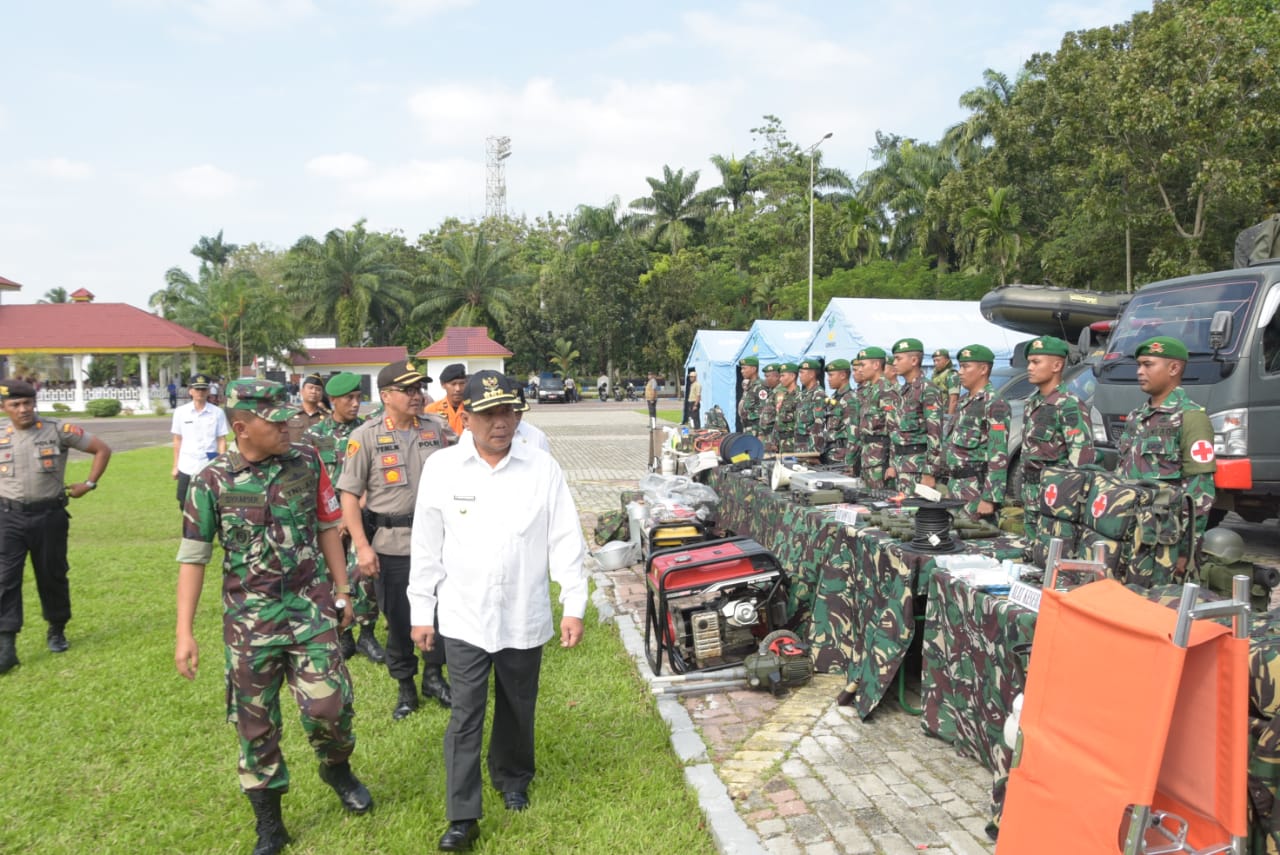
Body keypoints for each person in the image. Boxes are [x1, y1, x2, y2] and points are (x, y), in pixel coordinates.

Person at [175, 379, 372, 855]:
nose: (287, 426)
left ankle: (336, 767)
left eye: (288, 417)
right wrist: (184, 631)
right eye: (274, 421)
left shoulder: (307, 461)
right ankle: (270, 821)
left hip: (311, 611)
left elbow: (329, 528)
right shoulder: (211, 482)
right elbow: (193, 558)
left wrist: (342, 591)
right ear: (241, 428)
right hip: (250, 623)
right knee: (255, 725)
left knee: (330, 709)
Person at [407, 370, 588, 852]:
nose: (500, 423)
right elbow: (426, 546)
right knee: (465, 713)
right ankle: (462, 816)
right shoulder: (443, 469)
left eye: (508, 412)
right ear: (465, 418)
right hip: (464, 615)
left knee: (516, 705)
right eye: (488, 414)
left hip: (523, 613)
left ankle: (512, 778)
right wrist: (420, 611)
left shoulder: (541, 467)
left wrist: (574, 604)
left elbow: (566, 539)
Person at [337, 359, 455, 720]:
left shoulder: (439, 429)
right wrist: (361, 546)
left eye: (419, 388)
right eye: (409, 389)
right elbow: (348, 495)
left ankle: (434, 676)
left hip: (441, 543)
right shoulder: (366, 436)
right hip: (394, 544)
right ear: (386, 396)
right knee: (400, 619)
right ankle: (406, 686)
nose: (417, 395)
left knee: (440, 615)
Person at [0, 379, 111, 672]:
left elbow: (101, 449)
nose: (23, 409)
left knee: (52, 575)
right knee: (4, 579)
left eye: (28, 403)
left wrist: (89, 483)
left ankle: (57, 628)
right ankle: (6, 644)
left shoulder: (57, 430)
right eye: (15, 404)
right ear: (4, 407)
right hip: (7, 518)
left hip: (49, 516)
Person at [1115, 336, 1216, 577]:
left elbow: (1200, 490)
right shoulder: (1136, 417)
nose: (1140, 371)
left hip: (1165, 542)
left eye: (1148, 365)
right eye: (1139, 365)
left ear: (1174, 368)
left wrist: (1186, 550)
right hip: (1127, 533)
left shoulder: (1191, 417)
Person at [304, 372, 385, 665]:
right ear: (333, 400)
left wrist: (351, 515)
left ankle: (367, 633)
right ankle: (344, 633)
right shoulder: (314, 436)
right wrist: (331, 518)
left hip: (362, 512)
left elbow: (375, 478)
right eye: (348, 399)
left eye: (358, 398)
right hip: (328, 519)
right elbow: (312, 481)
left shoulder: (366, 432)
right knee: (332, 575)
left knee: (366, 575)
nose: (355, 404)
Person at [1019, 335, 1096, 538]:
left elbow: (1081, 461)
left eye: (1036, 362)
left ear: (1056, 366)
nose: (1029, 367)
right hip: (1031, 495)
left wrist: (1066, 503)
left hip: (1056, 499)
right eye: (1029, 362)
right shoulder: (1032, 402)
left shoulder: (1069, 404)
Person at [941, 345, 1010, 521]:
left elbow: (998, 454)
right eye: (959, 367)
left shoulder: (994, 404)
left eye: (966, 367)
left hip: (976, 491)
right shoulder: (965, 402)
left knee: (975, 542)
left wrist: (989, 498)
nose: (960, 372)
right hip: (956, 486)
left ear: (983, 369)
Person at [885, 338, 944, 494]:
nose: (894, 363)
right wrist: (892, 463)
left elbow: (935, 434)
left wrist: (929, 472)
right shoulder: (903, 391)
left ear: (913, 360)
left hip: (918, 468)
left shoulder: (928, 390)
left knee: (915, 514)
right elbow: (895, 431)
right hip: (900, 465)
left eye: (898, 358)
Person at [171, 373, 229, 510]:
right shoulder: (181, 412)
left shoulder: (217, 412)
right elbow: (178, 439)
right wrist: (175, 465)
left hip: (209, 463)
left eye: (203, 389)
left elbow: (221, 439)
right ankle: (190, 531)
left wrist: (222, 463)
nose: (200, 392)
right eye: (197, 389)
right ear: (190, 391)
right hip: (187, 463)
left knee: (211, 501)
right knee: (184, 502)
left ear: (208, 391)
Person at [854, 348, 895, 485]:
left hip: (881, 460)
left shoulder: (886, 390)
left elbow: (894, 429)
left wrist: (892, 464)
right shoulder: (871, 390)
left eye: (863, 365)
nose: (860, 370)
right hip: (868, 458)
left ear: (876, 365)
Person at [821, 359, 856, 466]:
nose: (828, 379)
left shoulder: (850, 399)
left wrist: (850, 461)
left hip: (842, 456)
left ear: (842, 376)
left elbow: (853, 433)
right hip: (830, 453)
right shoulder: (834, 397)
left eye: (831, 375)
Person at [793, 358, 827, 455]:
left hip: (809, 447)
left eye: (802, 373)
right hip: (799, 445)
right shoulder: (803, 394)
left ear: (812, 374)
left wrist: (814, 451)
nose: (800, 376)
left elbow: (818, 425)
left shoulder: (818, 394)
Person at [286, 374, 330, 444]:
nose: (314, 391)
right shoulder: (289, 414)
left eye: (318, 389)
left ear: (321, 395)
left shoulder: (328, 417)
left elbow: (328, 445)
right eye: (310, 388)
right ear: (301, 392)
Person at [427, 363, 467, 436]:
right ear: (443, 385)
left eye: (462, 383)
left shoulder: (472, 408)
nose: (458, 389)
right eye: (453, 384)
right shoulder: (432, 410)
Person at [771, 363, 800, 453]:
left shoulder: (799, 397)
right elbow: (778, 421)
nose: (780, 379)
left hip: (792, 444)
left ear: (792, 376)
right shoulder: (785, 397)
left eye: (783, 376)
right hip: (781, 444)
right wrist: (775, 441)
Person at [737, 356, 766, 436]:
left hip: (756, 430)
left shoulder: (761, 386)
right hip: (747, 428)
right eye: (741, 369)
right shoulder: (749, 386)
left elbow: (764, 411)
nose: (742, 371)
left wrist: (761, 433)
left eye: (744, 368)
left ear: (753, 369)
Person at [931, 348, 961, 418]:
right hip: (935, 414)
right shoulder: (936, 375)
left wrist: (949, 418)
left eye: (938, 360)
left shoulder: (952, 374)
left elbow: (954, 399)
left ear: (947, 360)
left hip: (945, 414)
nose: (935, 363)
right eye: (934, 360)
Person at [758, 364, 782, 452]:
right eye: (765, 376)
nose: (766, 379)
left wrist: (775, 441)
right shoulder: (773, 392)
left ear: (777, 377)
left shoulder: (780, 392)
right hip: (767, 437)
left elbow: (780, 418)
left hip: (773, 438)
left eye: (768, 376)